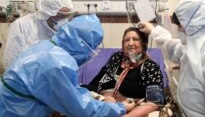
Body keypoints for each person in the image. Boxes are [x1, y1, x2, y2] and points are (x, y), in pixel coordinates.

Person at [0, 15, 135, 117]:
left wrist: (91, 97)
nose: (131, 43)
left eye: (135, 39)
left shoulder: (47, 47)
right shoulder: (56, 64)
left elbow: (71, 94)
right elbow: (80, 108)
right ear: (82, 44)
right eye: (92, 48)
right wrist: (119, 108)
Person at [88, 27, 166, 117]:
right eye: (126, 40)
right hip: (102, 105)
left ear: (143, 44)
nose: (130, 43)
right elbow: (96, 84)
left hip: (130, 111)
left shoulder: (150, 66)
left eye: (135, 39)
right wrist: (104, 99)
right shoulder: (116, 58)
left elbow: (155, 103)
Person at [2, 0, 74, 69]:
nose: (64, 20)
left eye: (67, 16)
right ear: (47, 14)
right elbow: (11, 61)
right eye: (60, 16)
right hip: (27, 76)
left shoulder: (61, 28)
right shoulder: (22, 25)